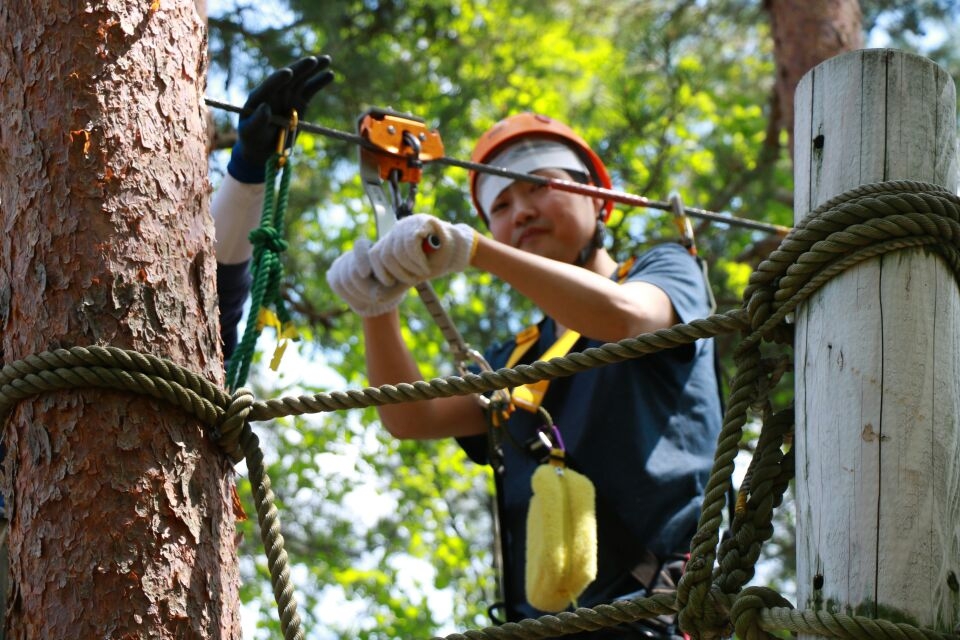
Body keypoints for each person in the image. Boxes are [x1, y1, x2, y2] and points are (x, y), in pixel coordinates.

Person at [215, 58, 721, 639]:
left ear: (600, 200)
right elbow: (411, 416)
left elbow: (625, 317)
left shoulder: (663, 270)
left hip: (658, 616)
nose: (521, 211)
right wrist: (378, 309)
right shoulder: (520, 357)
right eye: (500, 206)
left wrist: (475, 249)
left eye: (539, 186)